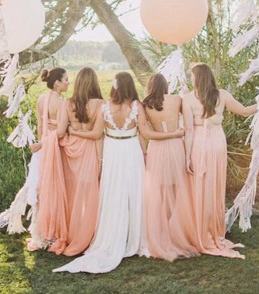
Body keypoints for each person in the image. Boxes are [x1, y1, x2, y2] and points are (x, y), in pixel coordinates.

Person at [53, 72, 183, 274]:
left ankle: (113, 237)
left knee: (113, 193)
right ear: (131, 86)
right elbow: (144, 134)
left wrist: (75, 132)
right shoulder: (137, 106)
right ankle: (136, 237)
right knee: (134, 192)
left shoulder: (105, 106)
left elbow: (96, 134)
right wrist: (146, 153)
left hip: (113, 150)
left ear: (114, 86)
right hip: (131, 149)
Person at [182, 62, 259, 259]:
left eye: (192, 75)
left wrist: (187, 156)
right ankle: (214, 230)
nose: (191, 79)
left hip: (199, 143)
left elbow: (189, 131)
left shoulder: (188, 99)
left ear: (197, 77)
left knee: (200, 186)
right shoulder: (222, 95)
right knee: (215, 185)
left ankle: (201, 229)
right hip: (217, 142)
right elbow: (243, 111)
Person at [143, 73, 198, 261]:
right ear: (166, 85)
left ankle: (159, 227)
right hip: (175, 146)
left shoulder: (145, 104)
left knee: (157, 188)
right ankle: (167, 225)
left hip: (157, 148)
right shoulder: (176, 99)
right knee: (175, 186)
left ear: (150, 86)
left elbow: (147, 133)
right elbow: (192, 113)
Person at [54, 67, 103, 256]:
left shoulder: (68, 103)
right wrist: (100, 160)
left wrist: (45, 143)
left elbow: (60, 131)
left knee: (73, 195)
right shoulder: (100, 104)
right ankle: (89, 235)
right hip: (90, 150)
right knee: (91, 195)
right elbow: (98, 136)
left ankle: (72, 234)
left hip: (71, 150)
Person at [28, 67, 70, 251]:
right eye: (66, 79)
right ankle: (54, 231)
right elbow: (62, 132)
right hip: (55, 148)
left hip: (43, 146)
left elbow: (39, 124)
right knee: (57, 189)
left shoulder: (41, 99)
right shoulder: (62, 103)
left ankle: (42, 231)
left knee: (43, 188)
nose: (69, 82)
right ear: (57, 83)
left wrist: (40, 143)